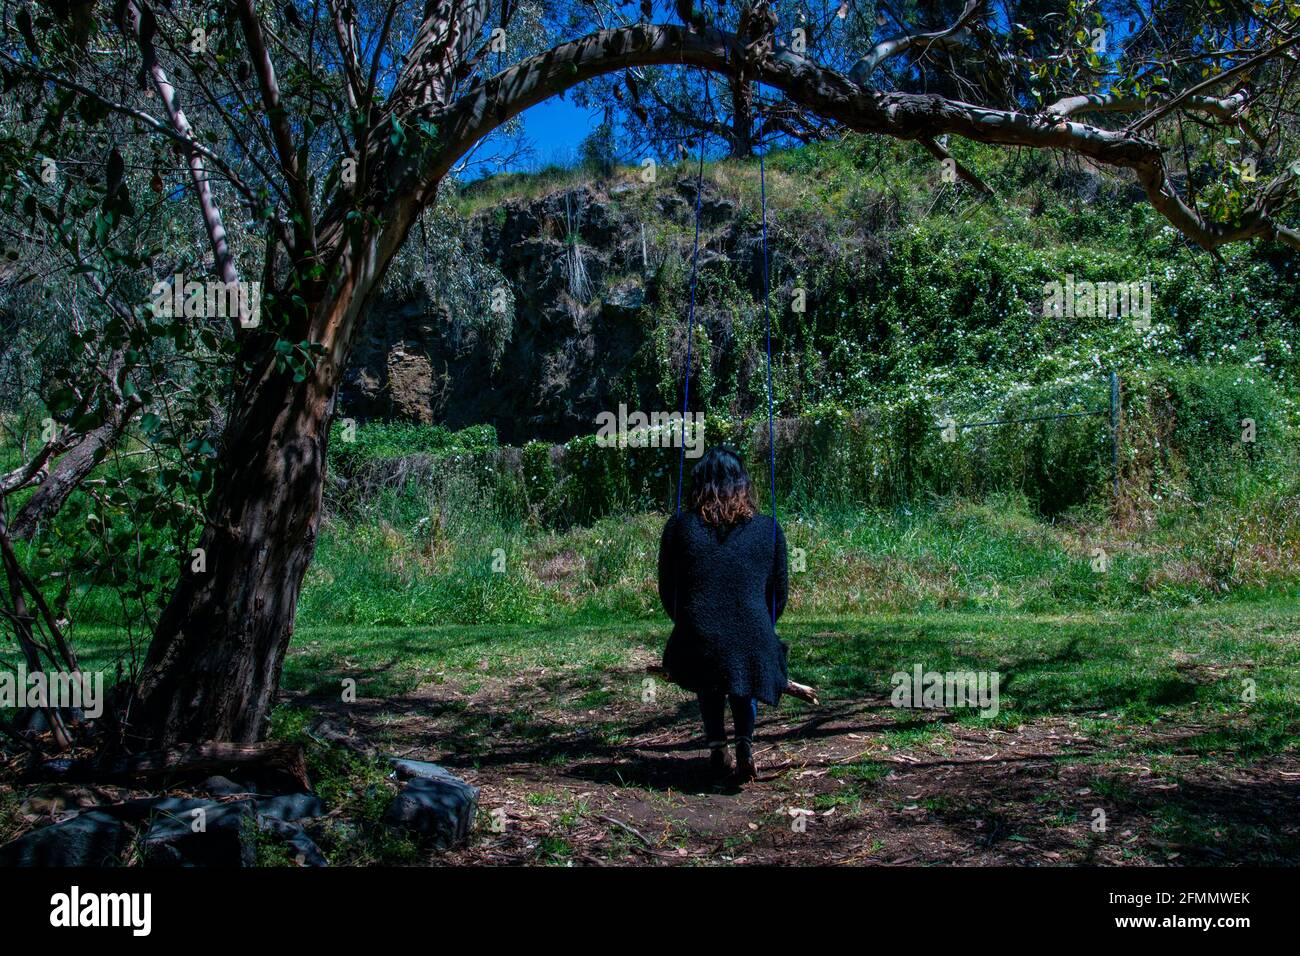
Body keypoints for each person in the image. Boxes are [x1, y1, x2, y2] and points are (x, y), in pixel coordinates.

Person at [657, 446, 789, 782]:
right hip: (754, 634)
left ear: (699, 484)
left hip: (698, 634)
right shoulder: (769, 528)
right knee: (744, 660)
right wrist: (762, 625)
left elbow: (668, 588)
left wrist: (687, 621)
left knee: (710, 666)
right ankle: (745, 742)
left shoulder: (679, 526)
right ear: (743, 483)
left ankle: (717, 746)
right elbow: (778, 592)